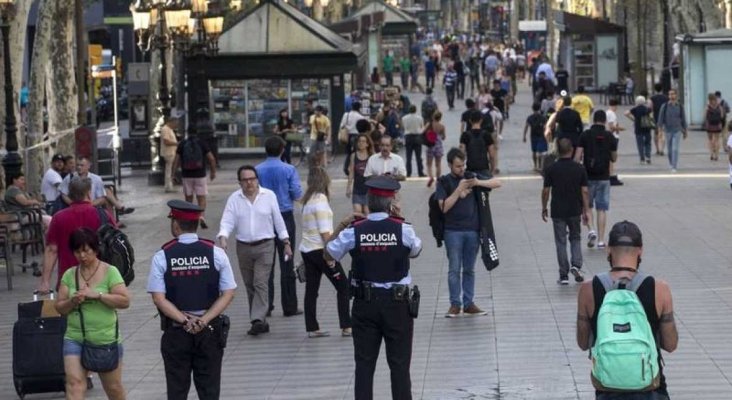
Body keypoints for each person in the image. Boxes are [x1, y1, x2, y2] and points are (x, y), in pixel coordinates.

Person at [325, 176, 422, 400]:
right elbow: (416, 250)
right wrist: (399, 220)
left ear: (368, 201)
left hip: (364, 305)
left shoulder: (355, 230)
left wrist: (342, 224)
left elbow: (329, 253)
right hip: (397, 306)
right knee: (399, 366)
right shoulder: (403, 229)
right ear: (391, 203)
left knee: (364, 365)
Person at [577, 220, 678, 400]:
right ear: (640, 250)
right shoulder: (660, 289)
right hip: (651, 389)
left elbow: (583, 343)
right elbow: (670, 345)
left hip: (607, 389)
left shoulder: (588, 289)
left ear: (608, 249)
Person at [148, 200, 236, 400]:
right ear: (196, 224)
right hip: (210, 331)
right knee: (209, 390)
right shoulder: (215, 252)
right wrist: (203, 320)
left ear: (176, 224)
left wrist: (185, 320)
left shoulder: (163, 255)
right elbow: (228, 292)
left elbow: (158, 298)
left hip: (177, 331)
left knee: (177, 390)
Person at [54, 227, 130, 400]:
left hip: (105, 338)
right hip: (75, 336)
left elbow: (125, 301)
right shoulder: (69, 274)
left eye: (86, 251)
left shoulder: (110, 271)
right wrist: (72, 301)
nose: (82, 256)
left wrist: (98, 295)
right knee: (74, 384)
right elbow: (60, 307)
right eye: (77, 251)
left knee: (113, 388)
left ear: (95, 249)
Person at [217, 166, 291, 336]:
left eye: (252, 179)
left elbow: (278, 220)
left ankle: (256, 319)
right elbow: (227, 220)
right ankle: (261, 321)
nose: (249, 182)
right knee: (250, 284)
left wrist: (285, 241)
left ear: (257, 179)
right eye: (245, 180)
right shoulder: (234, 199)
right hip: (243, 246)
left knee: (260, 282)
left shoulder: (269, 196)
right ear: (240, 182)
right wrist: (223, 236)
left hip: (265, 245)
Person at [436, 148, 501, 317]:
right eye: (458, 166)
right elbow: (443, 207)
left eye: (463, 165)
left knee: (469, 269)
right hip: (452, 232)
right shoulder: (444, 182)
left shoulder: (471, 176)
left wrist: (477, 183)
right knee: (454, 269)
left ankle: (469, 302)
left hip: (473, 231)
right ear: (450, 165)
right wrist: (459, 191)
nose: (461, 169)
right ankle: (455, 304)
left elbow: (497, 183)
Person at [38, 178, 117, 293]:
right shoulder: (102, 215)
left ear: (70, 195)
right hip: (101, 280)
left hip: (69, 281)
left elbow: (51, 250)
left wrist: (45, 281)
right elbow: (116, 242)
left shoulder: (59, 218)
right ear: (89, 193)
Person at [299, 167, 352, 338]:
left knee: (311, 290)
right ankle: (346, 326)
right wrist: (331, 256)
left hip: (307, 250)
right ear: (325, 182)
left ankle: (312, 327)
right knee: (343, 286)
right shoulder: (320, 200)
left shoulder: (307, 201)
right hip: (321, 250)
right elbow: (325, 232)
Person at [256, 136, 304, 318]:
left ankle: (265, 306)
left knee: (265, 262)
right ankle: (290, 305)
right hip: (284, 217)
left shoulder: (258, 170)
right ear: (282, 150)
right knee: (287, 259)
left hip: (264, 218)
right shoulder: (289, 169)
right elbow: (297, 193)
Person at [542, 138, 591, 285]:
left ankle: (563, 275)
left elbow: (545, 191)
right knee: (575, 238)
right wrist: (586, 210)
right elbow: (585, 191)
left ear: (558, 150)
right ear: (571, 150)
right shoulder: (579, 168)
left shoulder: (551, 168)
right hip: (574, 209)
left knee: (560, 241)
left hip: (557, 210)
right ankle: (576, 265)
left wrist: (544, 207)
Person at [575, 111, 618, 249]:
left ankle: (591, 229)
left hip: (587, 177)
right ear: (605, 121)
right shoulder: (609, 136)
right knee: (602, 209)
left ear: (594, 120)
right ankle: (600, 241)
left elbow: (577, 157)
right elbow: (614, 158)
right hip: (604, 178)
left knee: (587, 206)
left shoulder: (585, 135)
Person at [172, 134, 216, 228]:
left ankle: (190, 218)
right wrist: (213, 172)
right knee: (201, 198)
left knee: (188, 199)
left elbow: (176, 160)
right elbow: (212, 159)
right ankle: (201, 217)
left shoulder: (183, 144)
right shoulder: (202, 143)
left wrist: (173, 174)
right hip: (200, 176)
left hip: (187, 176)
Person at [656, 89, 687, 172]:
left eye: (673, 94)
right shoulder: (665, 106)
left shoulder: (680, 106)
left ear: (676, 95)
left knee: (675, 148)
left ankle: (674, 166)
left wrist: (685, 131)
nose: (671, 96)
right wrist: (659, 131)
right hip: (668, 130)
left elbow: (683, 119)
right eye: (669, 94)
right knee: (669, 149)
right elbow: (660, 119)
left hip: (677, 130)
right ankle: (671, 163)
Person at [459, 110, 497, 176]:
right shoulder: (487, 135)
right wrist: (492, 169)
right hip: (484, 168)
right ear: (481, 120)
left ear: (470, 121)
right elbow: (492, 155)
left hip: (470, 168)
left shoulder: (465, 135)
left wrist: (461, 169)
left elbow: (461, 153)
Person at [347, 133, 375, 214]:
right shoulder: (353, 155)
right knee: (357, 212)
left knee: (367, 212)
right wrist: (348, 187)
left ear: (367, 144)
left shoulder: (371, 156)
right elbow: (351, 172)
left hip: (369, 190)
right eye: (359, 141)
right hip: (357, 189)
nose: (361, 143)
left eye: (363, 141)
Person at [340, 102, 367, 176]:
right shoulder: (360, 117)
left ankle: (346, 168)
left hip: (347, 136)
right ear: (359, 108)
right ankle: (356, 168)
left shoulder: (346, 115)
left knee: (349, 153)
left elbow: (342, 125)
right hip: (356, 136)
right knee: (356, 153)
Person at [625, 96, 654, 164]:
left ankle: (642, 159)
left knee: (640, 144)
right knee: (648, 143)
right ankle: (648, 157)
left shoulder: (635, 109)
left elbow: (626, 113)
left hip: (638, 128)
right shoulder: (647, 109)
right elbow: (651, 116)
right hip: (647, 128)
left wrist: (633, 119)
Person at [523, 103, 548, 172]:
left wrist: (524, 136)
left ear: (532, 109)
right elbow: (546, 127)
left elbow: (526, 127)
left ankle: (535, 165)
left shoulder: (530, 117)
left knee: (534, 151)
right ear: (539, 108)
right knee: (540, 151)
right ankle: (540, 166)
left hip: (533, 136)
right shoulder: (543, 117)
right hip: (541, 136)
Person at [402, 104, 425, 178]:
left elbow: (403, 127)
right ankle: (420, 172)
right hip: (417, 137)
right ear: (416, 110)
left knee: (408, 156)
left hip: (408, 137)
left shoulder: (404, 118)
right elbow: (422, 127)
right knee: (418, 156)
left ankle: (408, 172)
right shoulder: (420, 118)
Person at [605, 99, 625, 186]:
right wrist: (620, 129)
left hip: (611, 136)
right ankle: (610, 174)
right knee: (612, 157)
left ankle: (610, 173)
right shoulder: (612, 114)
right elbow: (611, 126)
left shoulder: (607, 112)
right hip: (613, 136)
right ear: (615, 105)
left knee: (610, 157)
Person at [425, 111, 446, 188]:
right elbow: (444, 137)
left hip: (430, 145)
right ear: (440, 118)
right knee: (438, 164)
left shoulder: (429, 125)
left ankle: (431, 177)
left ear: (433, 117)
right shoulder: (442, 126)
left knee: (429, 164)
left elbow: (423, 132)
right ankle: (438, 179)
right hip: (438, 146)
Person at [703, 92, 725, 161]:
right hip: (717, 125)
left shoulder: (707, 106)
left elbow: (704, 116)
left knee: (710, 140)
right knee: (717, 140)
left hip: (709, 125)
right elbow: (722, 116)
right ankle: (717, 155)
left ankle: (711, 154)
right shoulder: (719, 106)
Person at [161, 115, 180, 192]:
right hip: (169, 152)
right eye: (175, 124)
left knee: (170, 170)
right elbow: (166, 141)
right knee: (169, 170)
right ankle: (168, 187)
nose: (176, 126)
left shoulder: (170, 129)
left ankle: (169, 186)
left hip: (172, 152)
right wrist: (177, 143)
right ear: (171, 122)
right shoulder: (165, 129)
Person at [650, 84, 668, 156]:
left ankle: (657, 149)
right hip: (664, 117)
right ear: (662, 89)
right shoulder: (666, 98)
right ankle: (662, 149)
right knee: (663, 133)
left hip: (656, 117)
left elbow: (650, 108)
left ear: (655, 89)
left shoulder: (652, 98)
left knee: (656, 134)